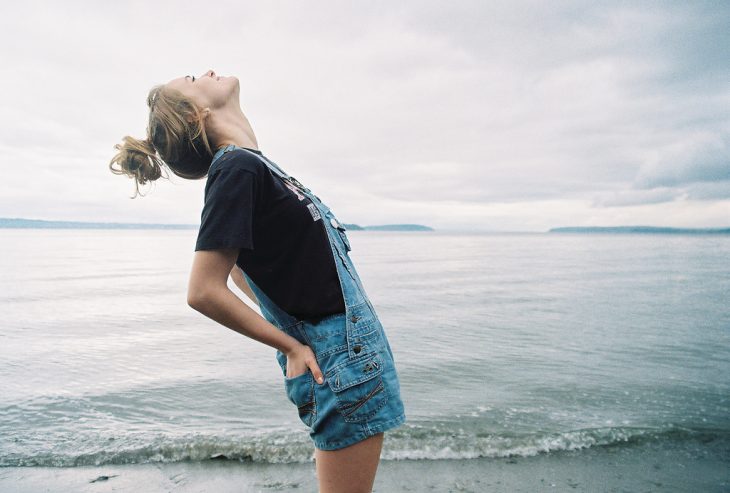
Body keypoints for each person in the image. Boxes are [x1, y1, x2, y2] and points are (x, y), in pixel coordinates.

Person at [108, 69, 406, 493]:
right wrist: (290, 344)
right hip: (338, 361)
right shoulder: (236, 168)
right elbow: (203, 290)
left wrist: (289, 324)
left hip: (348, 355)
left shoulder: (254, 166)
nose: (207, 71)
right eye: (193, 78)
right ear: (198, 113)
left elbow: (240, 266)